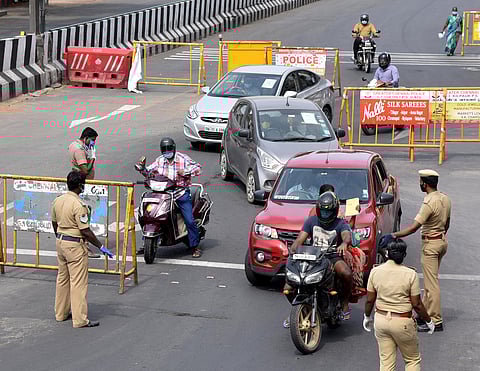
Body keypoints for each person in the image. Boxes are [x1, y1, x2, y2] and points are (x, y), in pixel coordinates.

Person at [51, 171, 114, 328]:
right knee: (78, 282)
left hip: (61, 242)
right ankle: (80, 319)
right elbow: (85, 230)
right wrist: (101, 246)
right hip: (74, 246)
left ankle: (61, 313)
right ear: (80, 186)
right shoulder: (79, 205)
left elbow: (54, 223)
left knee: (62, 279)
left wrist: (60, 236)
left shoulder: (58, 200)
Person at [392, 169, 451, 332]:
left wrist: (394, 235)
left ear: (424, 184)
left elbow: (413, 228)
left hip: (430, 245)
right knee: (430, 280)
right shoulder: (445, 198)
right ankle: (424, 314)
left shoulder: (428, 203)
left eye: (420, 181)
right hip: (441, 242)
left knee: (431, 285)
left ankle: (435, 320)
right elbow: (447, 224)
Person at [364, 237, 435, 371]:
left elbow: (369, 300)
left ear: (387, 253)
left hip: (381, 321)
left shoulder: (375, 271)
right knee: (412, 360)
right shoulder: (410, 274)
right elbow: (417, 304)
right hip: (402, 321)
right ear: (404, 255)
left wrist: (367, 316)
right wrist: (429, 321)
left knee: (386, 363)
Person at [290, 191, 354, 318]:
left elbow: (346, 235)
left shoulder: (341, 223)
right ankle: (298, 311)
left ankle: (344, 302)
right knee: (289, 284)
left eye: (328, 212)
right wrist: (293, 249)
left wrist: (344, 244)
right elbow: (299, 240)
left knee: (346, 273)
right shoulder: (311, 221)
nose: (325, 215)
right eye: (323, 211)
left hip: (332, 256)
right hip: (314, 257)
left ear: (334, 211)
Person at [138, 137, 203, 258]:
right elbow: (149, 173)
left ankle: (195, 246)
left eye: (169, 149)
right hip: (163, 193)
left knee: (189, 219)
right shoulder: (160, 160)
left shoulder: (183, 158)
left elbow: (198, 168)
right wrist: (142, 169)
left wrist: (186, 171)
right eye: (164, 149)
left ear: (173, 148)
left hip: (180, 193)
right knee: (148, 214)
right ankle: (147, 240)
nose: (167, 151)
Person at [68, 127, 101, 258]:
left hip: (82, 184)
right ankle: (85, 247)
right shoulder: (79, 149)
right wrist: (92, 159)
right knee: (84, 216)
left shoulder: (75, 144)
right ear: (86, 138)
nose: (93, 143)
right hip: (81, 185)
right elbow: (85, 170)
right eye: (92, 140)